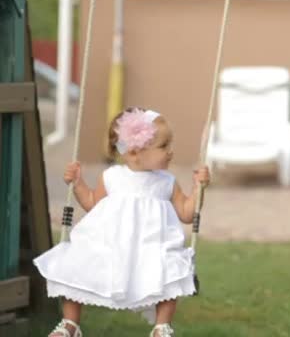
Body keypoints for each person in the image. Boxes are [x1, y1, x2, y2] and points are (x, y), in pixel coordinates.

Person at [34, 108, 210, 337]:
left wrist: (198, 188)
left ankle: (162, 326)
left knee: (171, 269)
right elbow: (91, 203)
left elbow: (187, 213)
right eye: (164, 146)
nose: (171, 152)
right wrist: (77, 184)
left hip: (150, 246)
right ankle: (70, 324)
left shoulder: (167, 182)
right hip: (109, 243)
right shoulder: (112, 176)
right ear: (136, 152)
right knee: (74, 264)